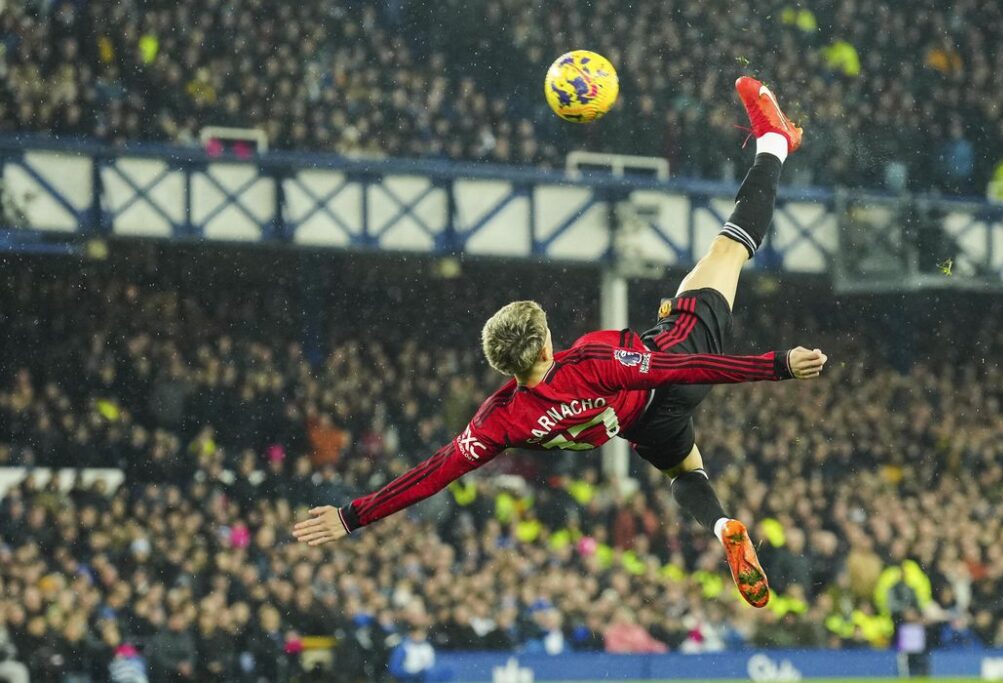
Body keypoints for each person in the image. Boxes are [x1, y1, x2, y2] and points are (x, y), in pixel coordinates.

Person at [293, 76, 828, 608]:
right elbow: (678, 370)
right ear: (547, 346)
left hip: (644, 428)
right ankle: (774, 142)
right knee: (728, 250)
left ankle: (721, 525)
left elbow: (431, 475)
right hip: (672, 365)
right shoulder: (591, 360)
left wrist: (352, 516)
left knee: (685, 470)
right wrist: (778, 364)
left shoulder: (500, 420)